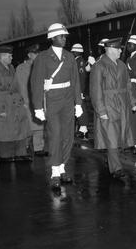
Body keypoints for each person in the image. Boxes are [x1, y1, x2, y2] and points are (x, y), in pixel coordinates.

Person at [30, 23, 83, 189]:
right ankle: (54, 171)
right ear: (52, 38)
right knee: (55, 135)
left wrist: (78, 103)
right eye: (62, 36)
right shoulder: (42, 58)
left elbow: (75, 81)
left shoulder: (69, 57)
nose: (64, 39)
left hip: (67, 99)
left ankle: (62, 168)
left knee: (68, 136)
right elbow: (36, 82)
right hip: (52, 100)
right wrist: (38, 107)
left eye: (65, 36)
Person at [90, 38, 136, 179]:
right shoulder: (99, 66)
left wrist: (132, 102)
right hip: (108, 105)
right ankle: (116, 168)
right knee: (111, 138)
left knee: (120, 136)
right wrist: (101, 111)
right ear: (110, 49)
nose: (121, 51)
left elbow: (128, 85)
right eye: (118, 49)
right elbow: (95, 90)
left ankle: (114, 162)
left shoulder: (122, 65)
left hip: (122, 104)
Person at [0, 45, 32, 163]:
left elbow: (17, 87)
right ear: (4, 56)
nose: (12, 57)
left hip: (16, 104)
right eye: (10, 55)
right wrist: (0, 109)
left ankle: (20, 153)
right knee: (5, 131)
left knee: (20, 128)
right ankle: (5, 155)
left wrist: (23, 101)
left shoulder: (11, 68)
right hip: (4, 104)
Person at [15, 44, 46, 156]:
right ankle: (26, 146)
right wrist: (25, 101)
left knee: (39, 126)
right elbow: (21, 86)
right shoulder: (21, 68)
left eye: (38, 53)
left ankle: (39, 148)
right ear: (29, 55)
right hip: (27, 102)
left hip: (39, 101)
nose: (38, 55)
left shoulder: (41, 66)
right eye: (35, 53)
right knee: (28, 127)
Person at [71, 43, 89, 140]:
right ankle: (81, 127)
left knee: (81, 109)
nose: (72, 52)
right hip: (75, 89)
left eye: (73, 51)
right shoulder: (76, 61)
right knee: (77, 108)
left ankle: (84, 128)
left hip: (78, 90)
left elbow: (81, 77)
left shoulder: (80, 62)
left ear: (77, 51)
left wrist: (80, 91)